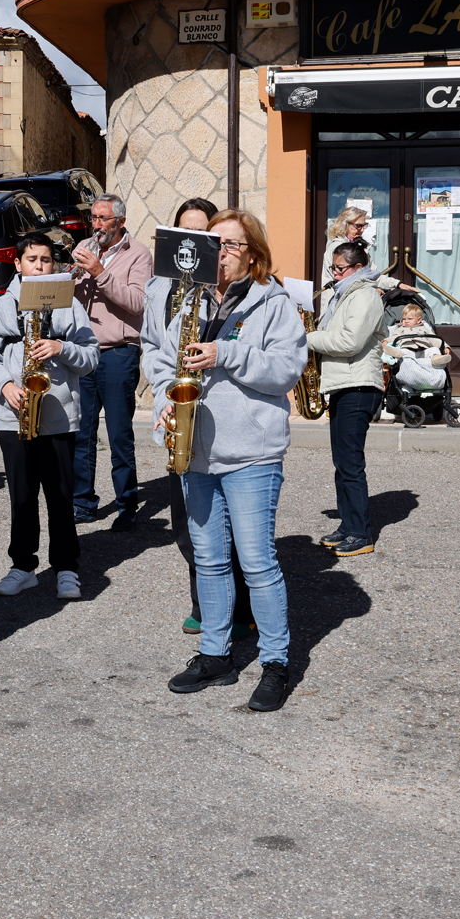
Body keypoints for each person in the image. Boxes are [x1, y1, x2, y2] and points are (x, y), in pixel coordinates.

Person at [151, 208, 308, 713]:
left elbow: (285, 370)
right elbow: (160, 359)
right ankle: (215, 654)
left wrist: (226, 353)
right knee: (210, 560)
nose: (219, 253)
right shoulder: (192, 299)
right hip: (196, 450)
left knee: (257, 562)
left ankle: (276, 663)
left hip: (251, 453)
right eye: (212, 243)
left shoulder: (273, 304)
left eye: (231, 245)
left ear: (253, 254)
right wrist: (162, 404)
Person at [143, 197, 252, 636]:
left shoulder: (228, 287)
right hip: (178, 413)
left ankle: (241, 608)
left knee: (230, 522)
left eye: (202, 234)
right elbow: (152, 347)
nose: (191, 242)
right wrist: (164, 396)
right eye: (183, 234)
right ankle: (204, 604)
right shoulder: (158, 288)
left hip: (224, 420)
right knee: (187, 522)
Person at [0, 232, 99, 601]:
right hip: (13, 415)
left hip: (59, 416)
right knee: (21, 496)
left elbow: (91, 356)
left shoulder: (68, 304)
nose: (39, 266)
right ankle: (23, 567)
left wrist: (62, 347)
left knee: (61, 495)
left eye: (46, 260)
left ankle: (66, 567)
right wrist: (4, 385)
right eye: (32, 260)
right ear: (18, 264)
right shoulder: (3, 307)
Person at [70, 192, 152, 531]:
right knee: (82, 432)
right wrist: (69, 277)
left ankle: (126, 505)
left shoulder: (139, 254)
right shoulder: (86, 247)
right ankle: (83, 502)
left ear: (120, 222)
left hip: (119, 351)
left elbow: (137, 302)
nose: (97, 225)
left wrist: (100, 272)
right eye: (94, 218)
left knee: (118, 433)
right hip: (84, 351)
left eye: (103, 219)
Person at [306, 237, 387, 557]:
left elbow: (350, 341)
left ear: (357, 268)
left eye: (340, 269)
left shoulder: (365, 296)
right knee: (342, 462)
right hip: (343, 384)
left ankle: (360, 533)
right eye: (333, 268)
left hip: (359, 387)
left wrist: (306, 338)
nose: (334, 274)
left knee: (351, 463)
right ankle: (347, 524)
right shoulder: (343, 295)